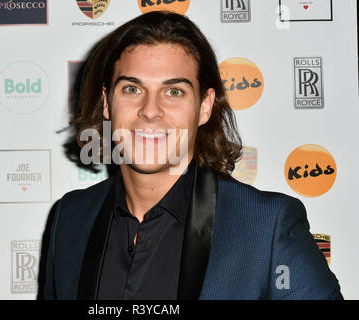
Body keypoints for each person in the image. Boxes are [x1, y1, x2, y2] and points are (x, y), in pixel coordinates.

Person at [42, 11, 342, 300]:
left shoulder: (266, 227)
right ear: (107, 103)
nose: (150, 111)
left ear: (204, 106)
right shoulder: (71, 217)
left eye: (174, 92)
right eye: (132, 89)